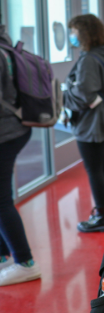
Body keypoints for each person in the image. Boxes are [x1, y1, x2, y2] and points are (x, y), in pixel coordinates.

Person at [64, 14, 104, 233]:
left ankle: (101, 216)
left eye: (74, 32)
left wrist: (63, 97)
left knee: (94, 169)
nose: (72, 36)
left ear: (84, 33)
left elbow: (85, 94)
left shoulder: (88, 59)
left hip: (92, 124)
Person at [0, 26, 40, 286]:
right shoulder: (6, 46)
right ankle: (4, 256)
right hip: (14, 128)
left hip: (5, 133)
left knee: (1, 200)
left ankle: (25, 263)